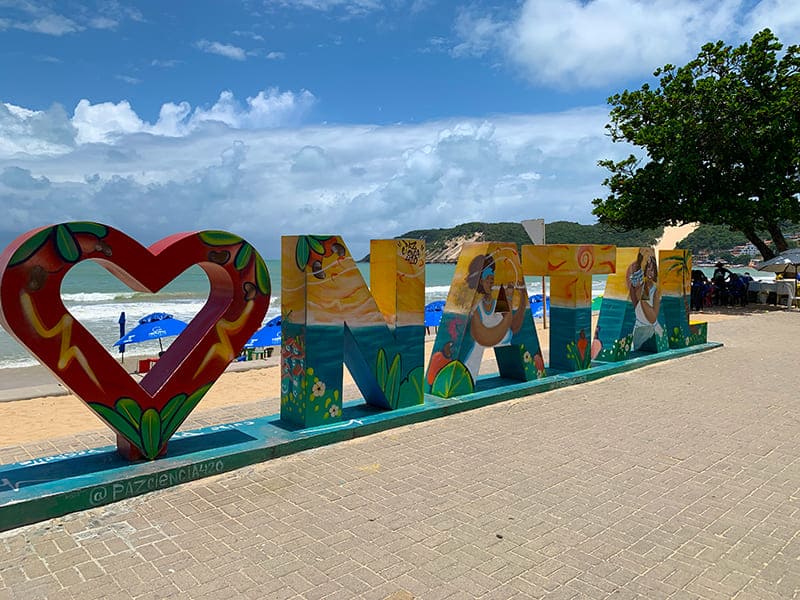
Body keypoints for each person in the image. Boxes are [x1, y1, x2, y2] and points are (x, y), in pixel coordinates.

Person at [463, 254, 526, 378]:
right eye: (488, 280)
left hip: (510, 362)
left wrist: (521, 298)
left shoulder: (498, 303)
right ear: (480, 281)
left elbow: (513, 328)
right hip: (469, 370)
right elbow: (486, 338)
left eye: (493, 280)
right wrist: (507, 310)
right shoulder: (475, 308)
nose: (491, 283)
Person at [627, 251, 663, 350]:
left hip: (651, 330)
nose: (650, 273)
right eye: (648, 269)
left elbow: (652, 318)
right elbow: (636, 307)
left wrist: (642, 299)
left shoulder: (654, 290)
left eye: (652, 270)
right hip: (638, 329)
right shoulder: (641, 287)